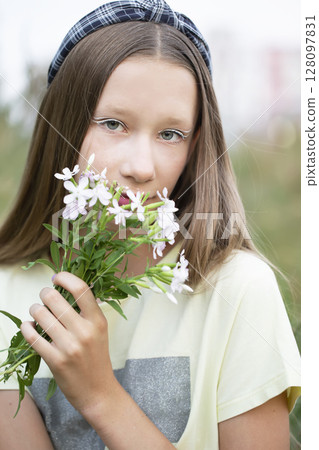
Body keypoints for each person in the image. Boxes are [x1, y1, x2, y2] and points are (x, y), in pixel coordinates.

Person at [0, 1, 300, 449]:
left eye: (170, 134)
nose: (140, 167)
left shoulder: (238, 289)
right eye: (113, 124)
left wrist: (101, 396)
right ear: (61, 124)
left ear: (196, 144)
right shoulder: (9, 287)